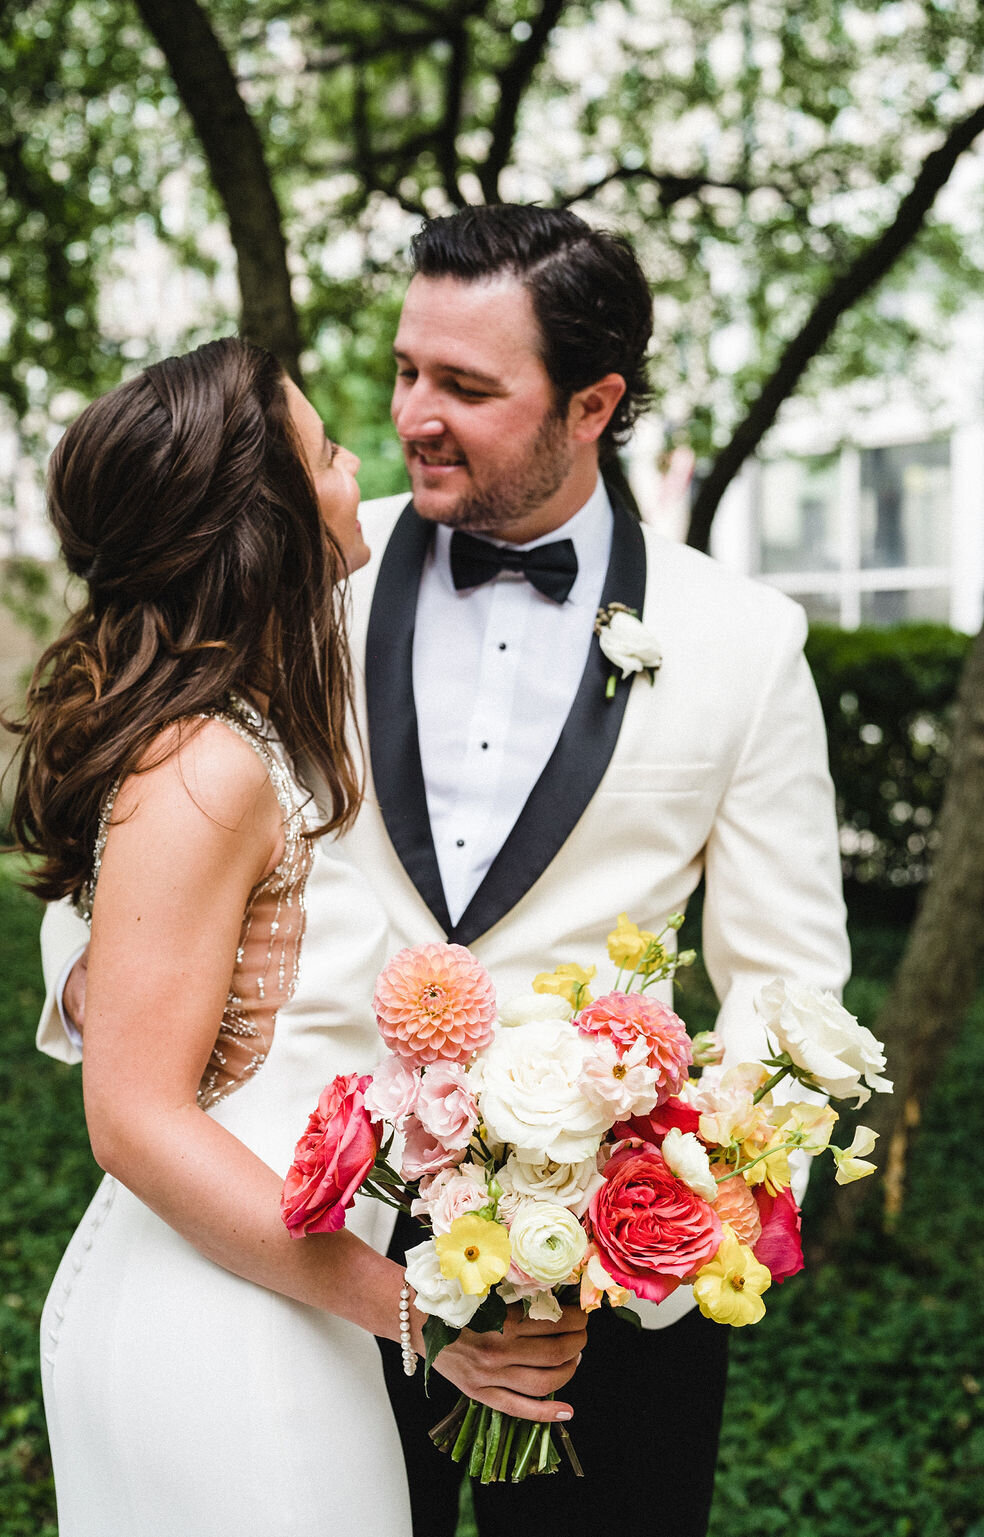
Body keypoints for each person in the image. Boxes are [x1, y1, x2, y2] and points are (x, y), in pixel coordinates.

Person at [16, 336, 587, 1537]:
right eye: (328, 453)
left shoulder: (235, 732)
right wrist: (418, 1313)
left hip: (273, 1299)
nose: (354, 467)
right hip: (216, 1323)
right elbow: (134, 1116)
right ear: (265, 518)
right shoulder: (206, 763)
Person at [337, 205, 850, 1537]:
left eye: (466, 386)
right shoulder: (301, 580)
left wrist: (660, 1230)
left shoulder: (743, 641)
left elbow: (790, 993)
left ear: (592, 402)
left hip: (611, 1300)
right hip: (321, 1244)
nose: (414, 414)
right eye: (405, 370)